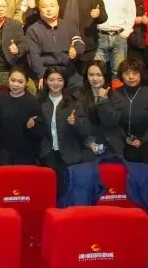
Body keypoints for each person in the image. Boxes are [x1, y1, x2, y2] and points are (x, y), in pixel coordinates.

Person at [110, 58, 148, 193]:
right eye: (127, 73)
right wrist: (125, 138)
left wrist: (142, 140)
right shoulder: (115, 94)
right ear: (121, 75)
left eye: (135, 73)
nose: (131, 77)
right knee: (128, 161)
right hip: (124, 139)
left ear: (141, 74)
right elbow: (113, 122)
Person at [37, 66, 91, 198]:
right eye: (51, 80)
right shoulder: (40, 101)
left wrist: (75, 122)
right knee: (50, 192)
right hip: (47, 153)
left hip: (69, 153)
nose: (55, 83)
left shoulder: (74, 102)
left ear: (64, 82)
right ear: (45, 81)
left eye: (59, 80)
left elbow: (85, 129)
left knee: (68, 192)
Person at [0, 67, 43, 165]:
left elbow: (40, 130)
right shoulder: (0, 98)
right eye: (13, 80)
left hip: (25, 151)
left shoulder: (32, 102)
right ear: (8, 80)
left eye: (20, 82)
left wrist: (32, 126)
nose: (15, 84)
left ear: (26, 83)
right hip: (4, 150)